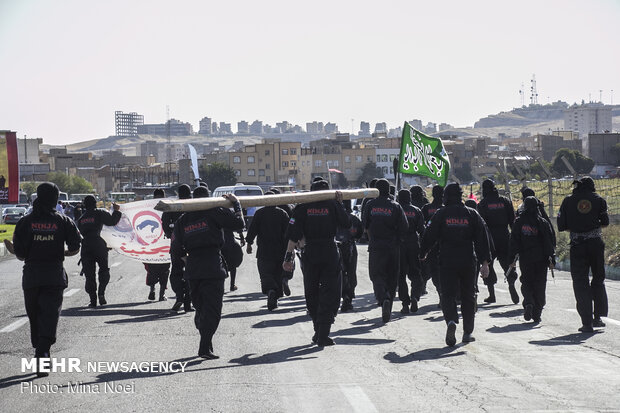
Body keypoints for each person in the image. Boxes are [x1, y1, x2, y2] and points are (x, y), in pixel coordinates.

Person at [12, 182, 81, 377]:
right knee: (49, 316)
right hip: (53, 276)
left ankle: (40, 350)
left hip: (32, 276)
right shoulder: (63, 221)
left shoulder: (25, 222)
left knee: (34, 316)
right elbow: (75, 247)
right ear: (55, 198)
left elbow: (19, 253)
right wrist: (61, 251)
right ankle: (43, 352)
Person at [170, 186, 244, 359]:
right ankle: (204, 347)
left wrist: (186, 260)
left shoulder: (183, 219)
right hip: (212, 265)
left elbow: (175, 248)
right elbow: (239, 224)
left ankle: (205, 337)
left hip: (193, 268)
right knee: (213, 310)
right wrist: (237, 204)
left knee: (201, 308)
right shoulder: (214, 212)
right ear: (209, 198)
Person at [421, 183, 491, 346]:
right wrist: (485, 263)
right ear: (461, 196)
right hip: (468, 260)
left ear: (446, 196)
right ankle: (467, 332)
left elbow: (429, 235)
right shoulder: (472, 214)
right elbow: (482, 239)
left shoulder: (441, 214)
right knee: (468, 296)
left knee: (448, 294)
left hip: (447, 260)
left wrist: (423, 252)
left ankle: (451, 321)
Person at [283, 179, 350, 346]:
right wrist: (340, 204)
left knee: (311, 291)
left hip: (310, 252)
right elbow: (347, 224)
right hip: (329, 251)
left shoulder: (302, 206)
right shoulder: (333, 205)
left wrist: (288, 257)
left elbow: (293, 235)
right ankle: (322, 333)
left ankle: (317, 329)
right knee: (331, 292)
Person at [557, 177, 609, 333]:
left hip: (577, 245)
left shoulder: (567, 201)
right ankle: (598, 316)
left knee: (580, 282)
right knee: (598, 278)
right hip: (595, 244)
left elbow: (561, 226)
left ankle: (587, 323)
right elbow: (605, 223)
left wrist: (578, 230)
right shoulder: (599, 200)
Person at [364, 179, 408, 323]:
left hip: (376, 246)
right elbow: (404, 227)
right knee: (392, 276)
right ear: (389, 190)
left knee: (377, 275)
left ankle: (384, 298)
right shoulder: (395, 206)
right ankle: (388, 303)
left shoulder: (370, 205)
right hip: (393, 247)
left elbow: (365, 225)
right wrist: (398, 240)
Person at [509, 196, 555, 323]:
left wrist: (512, 258)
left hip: (525, 258)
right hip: (541, 260)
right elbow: (549, 242)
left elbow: (514, 241)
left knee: (527, 282)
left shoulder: (518, 222)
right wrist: (552, 259)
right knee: (540, 285)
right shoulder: (543, 222)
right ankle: (537, 314)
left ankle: (528, 301)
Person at [246, 191, 290, 310]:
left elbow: (252, 229)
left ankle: (270, 290)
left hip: (264, 251)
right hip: (280, 251)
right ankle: (274, 299)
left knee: (266, 274)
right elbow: (288, 232)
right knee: (277, 275)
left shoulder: (259, 213)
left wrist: (249, 243)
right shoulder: (282, 213)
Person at [477, 179, 518, 304]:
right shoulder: (504, 201)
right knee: (507, 263)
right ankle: (511, 284)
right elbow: (513, 221)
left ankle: (492, 294)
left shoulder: (483, 204)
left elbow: (481, 225)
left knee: (488, 264)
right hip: (505, 235)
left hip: (490, 237)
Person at [77, 194, 121, 307]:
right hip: (98, 245)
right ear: (95, 203)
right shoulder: (99, 213)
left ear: (84, 205)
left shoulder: (81, 219)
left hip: (86, 246)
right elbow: (112, 222)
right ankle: (101, 294)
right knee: (104, 270)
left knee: (89, 274)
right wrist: (116, 211)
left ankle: (93, 300)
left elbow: (81, 233)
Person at [162, 184, 193, 312]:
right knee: (192, 273)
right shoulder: (195, 205)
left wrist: (171, 235)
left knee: (176, 272)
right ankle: (188, 303)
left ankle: (179, 296)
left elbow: (164, 224)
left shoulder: (171, 207)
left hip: (176, 245)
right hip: (192, 245)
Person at [397, 189, 425, 313]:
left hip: (399, 245)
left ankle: (404, 303)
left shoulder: (396, 209)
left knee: (401, 275)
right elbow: (422, 230)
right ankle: (415, 296)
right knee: (416, 274)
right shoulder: (416, 210)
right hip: (414, 244)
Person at [144, 189, 170, 302]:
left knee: (152, 269)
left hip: (152, 244)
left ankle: (152, 289)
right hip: (164, 244)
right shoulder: (168, 208)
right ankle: (161, 294)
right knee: (164, 270)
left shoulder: (148, 209)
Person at [336, 199, 363, 312]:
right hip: (351, 247)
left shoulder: (335, 218)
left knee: (340, 273)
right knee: (351, 273)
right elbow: (360, 234)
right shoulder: (354, 219)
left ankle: (344, 296)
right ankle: (349, 297)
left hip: (337, 248)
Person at [421, 185, 445, 305]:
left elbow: (421, 228)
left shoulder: (427, 208)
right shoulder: (446, 209)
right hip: (446, 245)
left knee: (435, 272)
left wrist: (423, 248)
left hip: (432, 245)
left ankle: (441, 293)